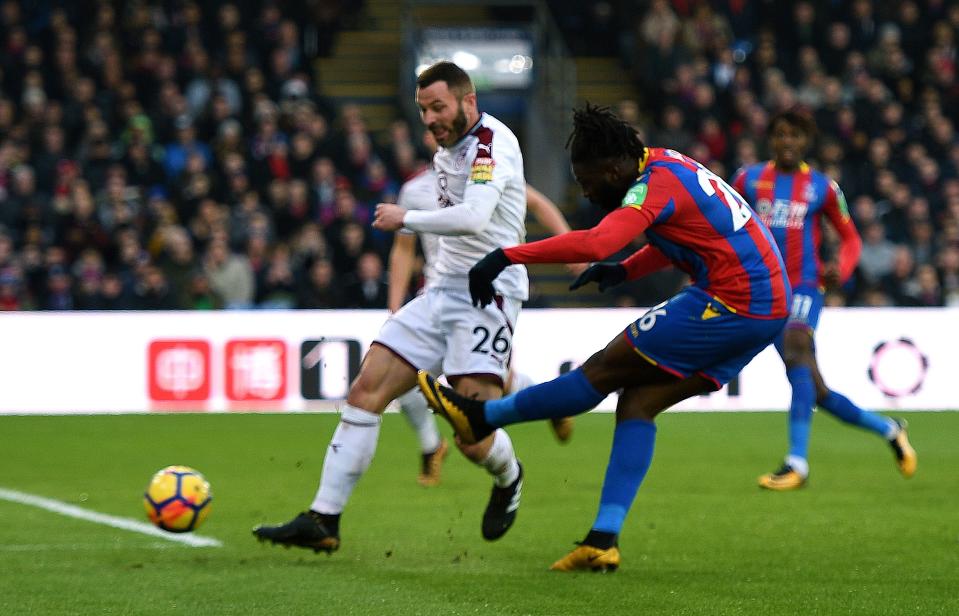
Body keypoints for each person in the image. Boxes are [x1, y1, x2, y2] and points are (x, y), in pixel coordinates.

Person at [416, 103, 791, 572]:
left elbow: (595, 241)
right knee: (637, 402)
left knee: (603, 368)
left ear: (614, 168)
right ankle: (602, 539)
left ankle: (482, 416)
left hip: (735, 300)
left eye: (589, 181)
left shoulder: (653, 184)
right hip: (766, 308)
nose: (588, 193)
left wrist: (507, 255)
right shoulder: (666, 164)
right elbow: (685, 234)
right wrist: (626, 270)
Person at [253, 61, 534, 553]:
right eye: (423, 110)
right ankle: (324, 519)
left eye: (439, 107)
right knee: (366, 390)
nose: (430, 119)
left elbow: (476, 218)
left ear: (469, 101)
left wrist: (409, 218)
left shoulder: (491, 144)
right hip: (443, 288)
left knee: (471, 432)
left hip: (488, 293)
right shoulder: (448, 146)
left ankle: (509, 477)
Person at [731, 110, 917, 490]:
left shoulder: (822, 188)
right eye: (781, 134)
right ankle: (889, 429)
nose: (787, 141)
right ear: (771, 139)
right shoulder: (748, 180)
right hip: (761, 291)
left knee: (798, 349)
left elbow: (851, 240)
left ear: (805, 142)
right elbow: (727, 225)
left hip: (804, 288)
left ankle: (797, 462)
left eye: (795, 135)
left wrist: (841, 271)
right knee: (815, 388)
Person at [388, 133, 577, 486]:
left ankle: (551, 404)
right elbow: (403, 250)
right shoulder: (414, 191)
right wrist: (394, 305)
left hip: (485, 295)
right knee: (403, 377)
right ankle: (432, 448)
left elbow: (536, 203)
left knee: (495, 384)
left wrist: (567, 244)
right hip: (436, 295)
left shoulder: (485, 173)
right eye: (428, 125)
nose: (435, 131)